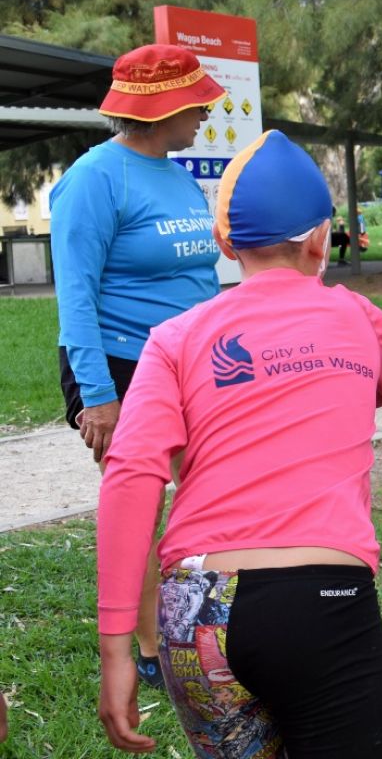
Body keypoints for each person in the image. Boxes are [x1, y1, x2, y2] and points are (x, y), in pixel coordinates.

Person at [95, 131, 382, 757]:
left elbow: (130, 475)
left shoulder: (174, 338)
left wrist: (116, 648)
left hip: (193, 614)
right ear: (323, 239)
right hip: (321, 602)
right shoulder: (363, 319)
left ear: (223, 244)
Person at [50, 43, 227, 690]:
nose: (209, 109)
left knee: (207, 491)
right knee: (142, 503)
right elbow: (75, 294)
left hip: (194, 363)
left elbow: (197, 275)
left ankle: (201, 620)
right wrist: (97, 395)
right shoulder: (95, 177)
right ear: (163, 106)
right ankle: (152, 644)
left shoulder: (179, 176)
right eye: (198, 99)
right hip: (122, 367)